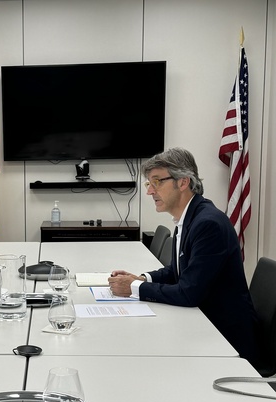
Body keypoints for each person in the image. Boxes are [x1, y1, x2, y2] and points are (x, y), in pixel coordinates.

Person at [108, 147, 257, 362]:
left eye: (157, 181)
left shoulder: (208, 224)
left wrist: (133, 288)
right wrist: (142, 279)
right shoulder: (189, 217)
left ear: (183, 182)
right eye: (149, 183)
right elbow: (177, 270)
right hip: (202, 326)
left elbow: (189, 293)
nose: (150, 191)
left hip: (225, 339)